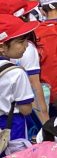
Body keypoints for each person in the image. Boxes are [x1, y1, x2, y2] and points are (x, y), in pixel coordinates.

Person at [0, 13, 38, 142]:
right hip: (11, 128)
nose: (26, 45)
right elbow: (25, 109)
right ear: (2, 46)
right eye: (21, 41)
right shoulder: (16, 73)